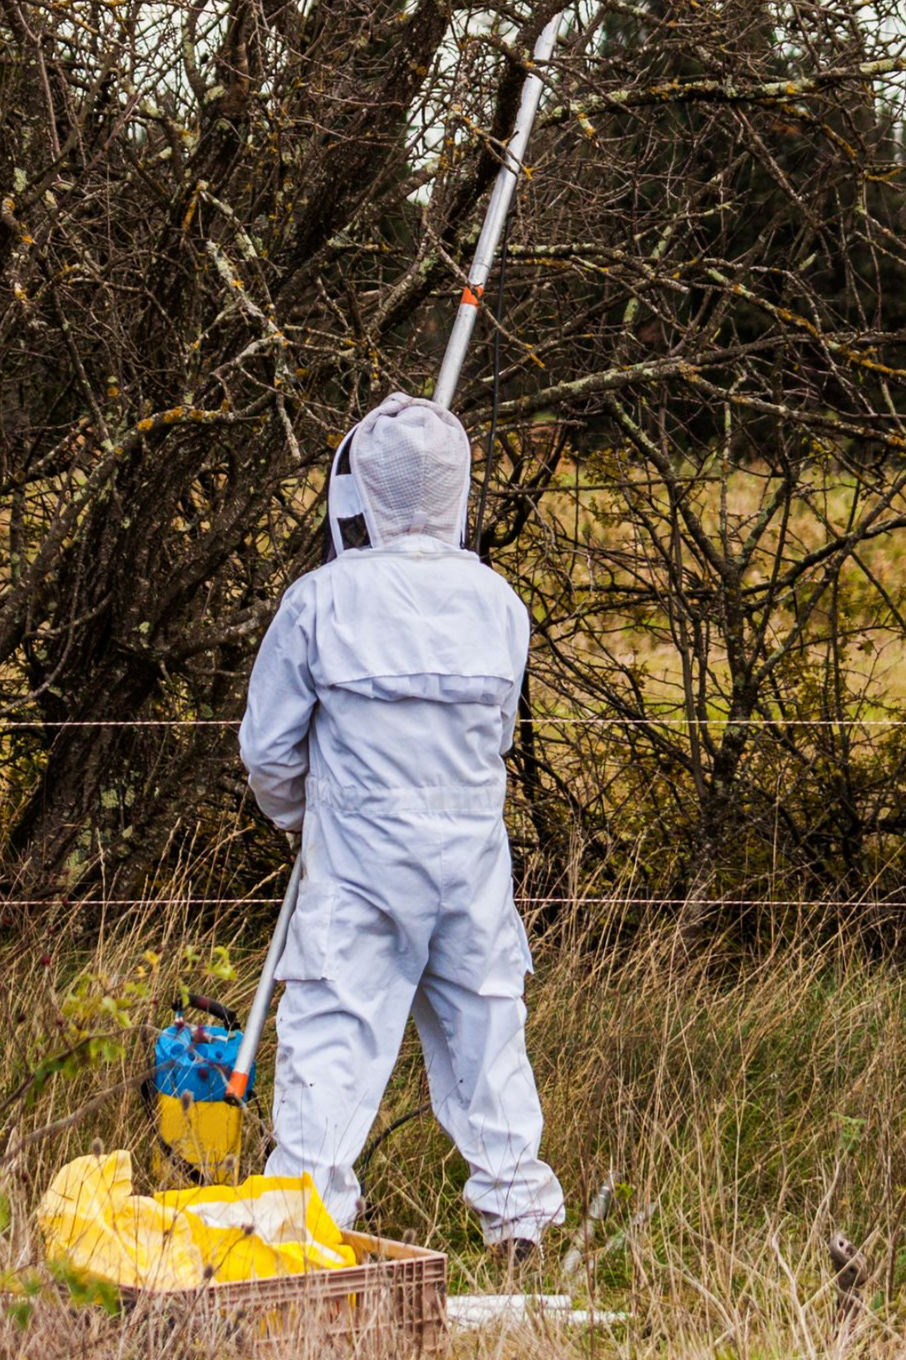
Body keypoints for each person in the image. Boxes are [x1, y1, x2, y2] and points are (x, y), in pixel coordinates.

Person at [237, 391, 566, 1253]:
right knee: (487, 1035)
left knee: (331, 1036)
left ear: (362, 489)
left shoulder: (319, 600)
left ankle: (305, 1230)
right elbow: (497, 736)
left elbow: (268, 750)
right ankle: (520, 1224)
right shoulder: (499, 602)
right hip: (471, 861)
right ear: (459, 488)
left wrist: (303, 819)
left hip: (360, 863)